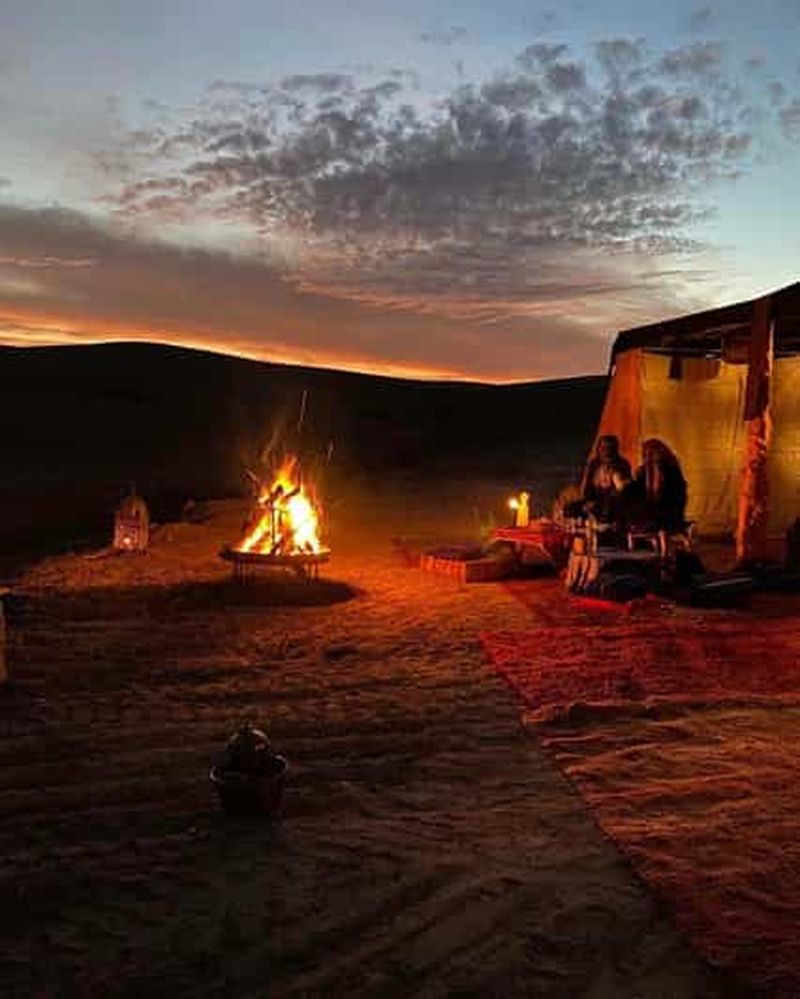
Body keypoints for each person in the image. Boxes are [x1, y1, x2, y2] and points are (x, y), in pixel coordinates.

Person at [627, 438, 687, 531]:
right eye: (645, 453)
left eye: (651, 453)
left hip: (667, 511)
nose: (647, 456)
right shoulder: (644, 470)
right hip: (650, 509)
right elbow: (637, 490)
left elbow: (675, 495)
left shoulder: (671, 469)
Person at [581, 435, 632, 522]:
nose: (606, 451)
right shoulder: (594, 465)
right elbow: (587, 487)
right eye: (603, 448)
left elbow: (625, 489)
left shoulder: (622, 464)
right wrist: (588, 500)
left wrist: (615, 475)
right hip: (595, 500)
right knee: (571, 508)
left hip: (614, 502)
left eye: (609, 448)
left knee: (609, 506)